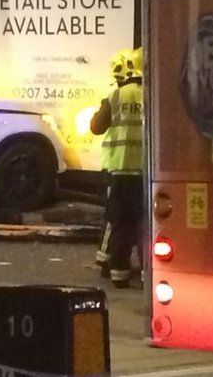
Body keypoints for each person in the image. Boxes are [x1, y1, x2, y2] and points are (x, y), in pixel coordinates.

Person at [91, 48, 144, 288]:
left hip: (120, 170)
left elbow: (96, 127)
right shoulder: (152, 96)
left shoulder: (116, 95)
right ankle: (147, 273)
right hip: (145, 172)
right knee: (144, 224)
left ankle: (118, 273)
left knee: (120, 221)